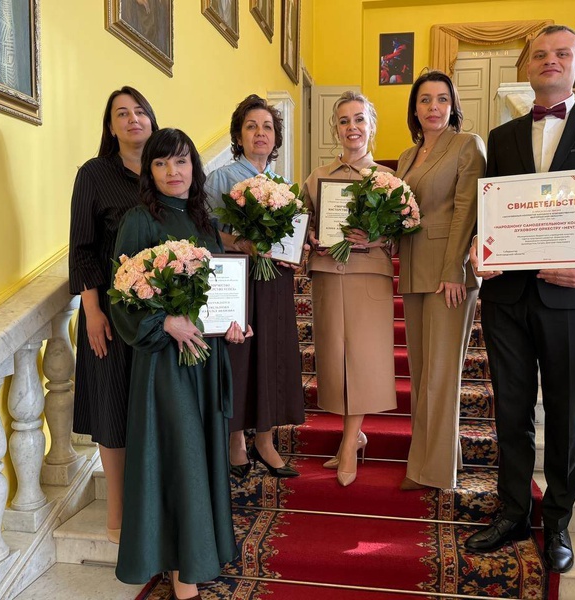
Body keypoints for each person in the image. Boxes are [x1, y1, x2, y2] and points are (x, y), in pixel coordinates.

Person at [465, 25, 575, 573]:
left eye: (562, 54)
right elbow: (493, 211)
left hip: (572, 299)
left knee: (565, 413)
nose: (550, 61)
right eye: (540, 54)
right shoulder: (502, 137)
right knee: (511, 410)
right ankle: (513, 512)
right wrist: (479, 245)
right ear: (527, 66)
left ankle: (559, 520)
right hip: (506, 296)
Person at [111, 128, 250, 600]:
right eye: (161, 163)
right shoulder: (138, 220)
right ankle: (181, 571)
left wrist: (232, 325)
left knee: (200, 454)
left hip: (205, 362)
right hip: (165, 366)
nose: (173, 171)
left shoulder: (203, 221)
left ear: (195, 167)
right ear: (149, 171)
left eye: (182, 161)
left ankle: (193, 557)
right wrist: (165, 322)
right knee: (179, 457)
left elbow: (217, 295)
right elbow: (121, 297)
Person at [68, 86, 158, 544]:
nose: (132, 119)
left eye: (139, 111)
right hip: (110, 312)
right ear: (110, 126)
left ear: (152, 119)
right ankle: (118, 511)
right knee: (113, 407)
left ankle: (154, 504)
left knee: (153, 408)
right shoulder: (94, 174)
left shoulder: (166, 169)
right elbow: (82, 248)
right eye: (122, 113)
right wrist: (92, 312)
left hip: (161, 313)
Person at [204, 94, 305, 479]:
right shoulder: (221, 179)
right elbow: (206, 232)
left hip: (274, 280)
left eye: (267, 127)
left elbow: (290, 237)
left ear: (276, 137)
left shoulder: (284, 185)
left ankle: (265, 440)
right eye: (251, 126)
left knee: (272, 355)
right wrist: (240, 242)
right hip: (238, 278)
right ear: (238, 136)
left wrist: (296, 250)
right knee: (240, 356)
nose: (260, 133)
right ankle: (236, 441)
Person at [395, 71, 486, 492]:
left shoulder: (467, 145)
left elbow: (468, 208)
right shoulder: (407, 156)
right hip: (414, 269)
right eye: (425, 99)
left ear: (453, 105)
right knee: (421, 373)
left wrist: (455, 270)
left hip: (448, 274)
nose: (434, 107)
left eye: (442, 99)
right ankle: (435, 456)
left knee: (441, 374)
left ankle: (432, 472)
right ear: (414, 108)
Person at [302, 91, 397, 487]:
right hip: (328, 273)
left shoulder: (388, 181)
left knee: (362, 357)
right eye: (344, 120)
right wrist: (311, 237)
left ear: (371, 126)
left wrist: (375, 238)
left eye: (359, 119)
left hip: (368, 275)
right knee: (335, 357)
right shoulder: (316, 178)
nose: (352, 127)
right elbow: (302, 226)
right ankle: (353, 436)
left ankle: (347, 443)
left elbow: (400, 234)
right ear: (335, 128)